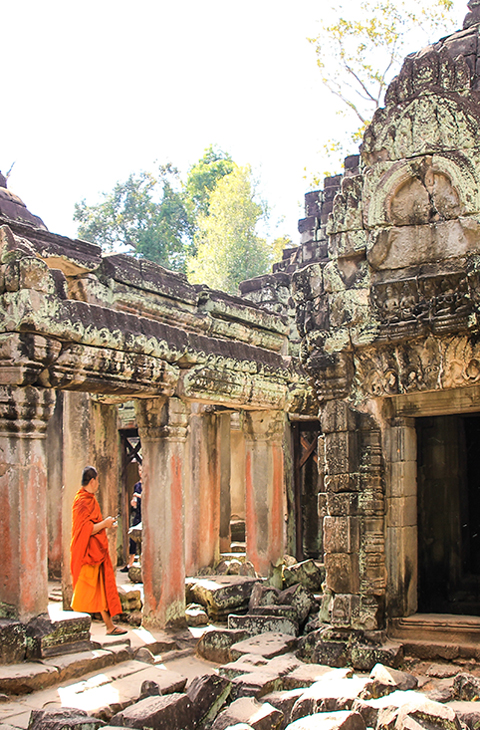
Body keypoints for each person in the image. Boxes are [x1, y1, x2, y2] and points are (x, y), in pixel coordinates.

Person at [70, 465, 127, 635]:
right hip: (86, 553)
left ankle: (109, 626)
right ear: (92, 481)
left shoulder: (90, 499)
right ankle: (73, 628)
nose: (99, 484)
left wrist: (106, 524)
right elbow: (85, 530)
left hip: (95, 552)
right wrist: (105, 524)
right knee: (83, 592)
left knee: (98, 591)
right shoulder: (81, 501)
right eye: (98, 481)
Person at [121, 463, 142, 572]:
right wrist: (133, 503)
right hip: (138, 513)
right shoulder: (137, 485)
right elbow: (135, 501)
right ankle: (130, 563)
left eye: (142, 470)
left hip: (147, 515)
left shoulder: (149, 484)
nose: (141, 473)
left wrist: (139, 496)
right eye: (139, 470)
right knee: (132, 537)